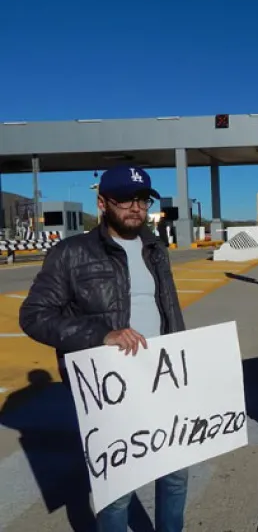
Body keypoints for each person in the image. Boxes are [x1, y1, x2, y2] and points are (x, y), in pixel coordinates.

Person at [19, 165, 189, 532]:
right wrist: (100, 334)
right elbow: (33, 316)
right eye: (125, 199)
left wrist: (186, 360)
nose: (135, 207)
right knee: (118, 492)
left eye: (142, 200)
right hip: (111, 389)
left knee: (175, 476)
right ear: (102, 203)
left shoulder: (156, 249)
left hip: (165, 378)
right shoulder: (70, 253)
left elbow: (168, 310)